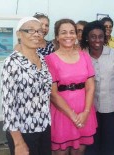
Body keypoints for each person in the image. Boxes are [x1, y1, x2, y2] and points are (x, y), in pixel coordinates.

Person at [45, 19, 97, 155]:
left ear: (76, 35)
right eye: (63, 32)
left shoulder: (85, 56)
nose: (68, 36)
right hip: (63, 112)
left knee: (79, 150)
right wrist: (73, 116)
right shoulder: (50, 59)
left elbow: (91, 86)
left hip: (84, 110)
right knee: (61, 151)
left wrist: (85, 113)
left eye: (71, 32)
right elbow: (53, 93)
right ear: (57, 36)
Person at [1, 17, 52, 155]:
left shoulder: (42, 59)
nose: (36, 34)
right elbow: (8, 106)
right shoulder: (12, 63)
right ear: (19, 34)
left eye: (39, 31)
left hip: (44, 125)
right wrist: (18, 142)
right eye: (30, 30)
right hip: (24, 131)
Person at [81, 20, 114, 155]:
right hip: (89, 110)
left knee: (111, 145)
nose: (97, 40)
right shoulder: (82, 56)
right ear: (87, 37)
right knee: (91, 145)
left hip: (112, 109)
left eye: (100, 36)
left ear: (105, 37)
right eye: (93, 36)